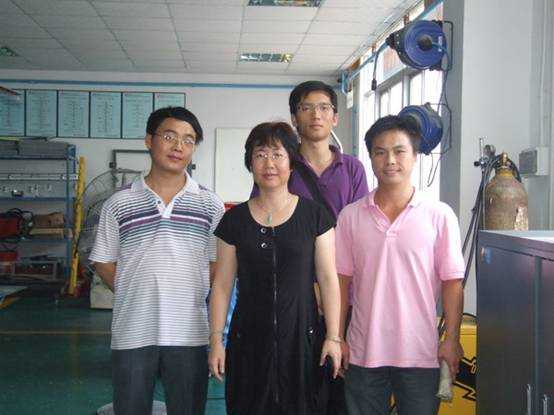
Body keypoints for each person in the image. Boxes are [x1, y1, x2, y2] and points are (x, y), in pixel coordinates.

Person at [90, 107, 224, 415]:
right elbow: (103, 261)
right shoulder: (119, 203)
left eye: (188, 140)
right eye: (169, 137)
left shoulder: (210, 204)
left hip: (189, 332)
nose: (178, 147)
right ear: (149, 140)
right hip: (133, 331)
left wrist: (193, 290)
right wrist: (134, 290)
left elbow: (218, 263)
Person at [252, 80, 369, 414]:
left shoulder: (353, 169)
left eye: (324, 108)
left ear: (335, 117)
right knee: (295, 385)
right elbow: (264, 225)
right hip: (294, 296)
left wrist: (333, 286)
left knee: (340, 386)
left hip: (345, 293)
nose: (316, 115)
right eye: (306, 108)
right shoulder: (281, 167)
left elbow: (359, 231)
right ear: (294, 118)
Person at [209, 121, 342, 415]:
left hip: (302, 339)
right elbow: (222, 285)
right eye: (260, 155)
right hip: (247, 340)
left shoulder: (315, 216)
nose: (269, 164)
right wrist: (217, 340)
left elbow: (328, 279)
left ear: (292, 162)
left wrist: (333, 337)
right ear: (250, 163)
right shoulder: (234, 221)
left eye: (278, 155)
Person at [335, 115, 465, 415]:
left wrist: (452, 339)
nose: (390, 160)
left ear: (415, 155)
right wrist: (337, 337)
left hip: (421, 354)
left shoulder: (439, 215)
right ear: (370, 158)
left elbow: (452, 283)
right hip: (363, 352)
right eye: (380, 152)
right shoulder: (351, 216)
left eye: (399, 151)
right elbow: (340, 282)